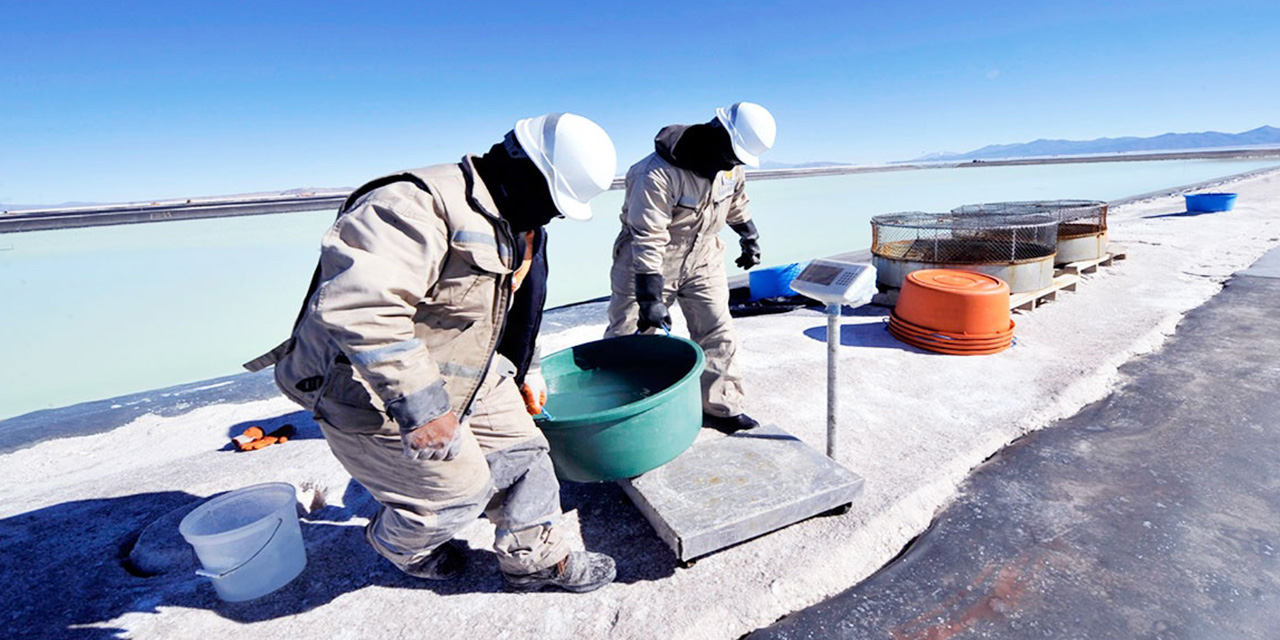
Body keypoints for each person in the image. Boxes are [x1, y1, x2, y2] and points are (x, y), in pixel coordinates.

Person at [245, 113, 618, 592]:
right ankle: (400, 544)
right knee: (456, 496)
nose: (552, 217)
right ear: (523, 166)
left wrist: (530, 367)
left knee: (525, 456)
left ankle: (535, 561)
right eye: (552, 201)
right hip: (370, 391)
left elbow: (509, 306)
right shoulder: (413, 206)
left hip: (469, 373)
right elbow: (362, 307)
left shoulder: (519, 221)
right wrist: (423, 408)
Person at [605, 102, 776, 433]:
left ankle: (720, 406)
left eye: (740, 158)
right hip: (649, 261)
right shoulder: (654, 173)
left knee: (718, 331)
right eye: (734, 154)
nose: (735, 163)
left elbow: (736, 202)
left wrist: (749, 236)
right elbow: (649, 237)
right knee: (633, 337)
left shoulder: (730, 165)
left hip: (705, 256)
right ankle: (625, 417)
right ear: (716, 132)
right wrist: (649, 296)